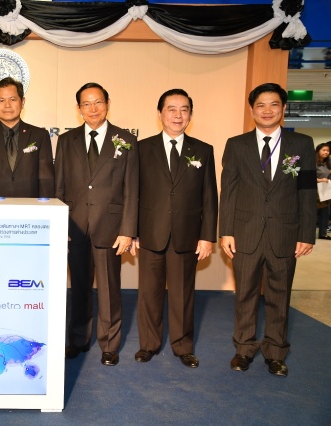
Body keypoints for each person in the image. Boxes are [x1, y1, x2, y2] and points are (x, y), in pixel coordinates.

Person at [220, 83, 317, 377]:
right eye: (260, 105)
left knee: (279, 295)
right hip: (245, 233)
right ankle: (244, 348)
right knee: (245, 294)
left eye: (274, 104)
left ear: (284, 108)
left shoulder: (301, 144)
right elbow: (229, 191)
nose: (267, 110)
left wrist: (306, 234)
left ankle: (275, 352)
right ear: (252, 109)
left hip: (284, 233)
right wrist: (226, 231)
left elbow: (306, 191)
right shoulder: (236, 145)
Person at [131, 89, 218, 368]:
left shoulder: (203, 150)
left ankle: (183, 346)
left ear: (190, 115)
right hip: (150, 234)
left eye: (184, 109)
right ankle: (148, 344)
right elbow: (133, 193)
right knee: (149, 294)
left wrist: (207, 236)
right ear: (160, 114)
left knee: (183, 296)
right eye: (171, 109)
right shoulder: (141, 148)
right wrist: (132, 231)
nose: (178, 115)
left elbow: (209, 196)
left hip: (186, 236)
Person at [55, 82, 138, 366]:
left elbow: (131, 189)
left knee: (109, 290)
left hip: (111, 228)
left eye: (98, 102)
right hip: (75, 226)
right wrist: (61, 225)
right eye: (86, 104)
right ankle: (78, 339)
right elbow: (59, 187)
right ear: (79, 108)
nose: (93, 108)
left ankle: (109, 344)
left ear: (108, 104)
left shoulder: (125, 139)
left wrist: (128, 230)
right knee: (78, 287)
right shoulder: (66, 141)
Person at [0, 77, 54, 198]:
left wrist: (46, 207)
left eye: (13, 99)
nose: (7, 105)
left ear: (22, 102)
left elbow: (46, 180)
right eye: (1, 100)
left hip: (31, 207)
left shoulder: (40, 136)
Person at [315, 142, 331, 239]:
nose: (326, 152)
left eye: (328, 151)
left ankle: (323, 233)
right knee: (313, 214)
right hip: (315, 191)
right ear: (318, 151)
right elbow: (307, 177)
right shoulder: (313, 162)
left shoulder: (327, 163)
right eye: (324, 150)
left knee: (325, 213)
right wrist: (320, 180)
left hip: (325, 191)